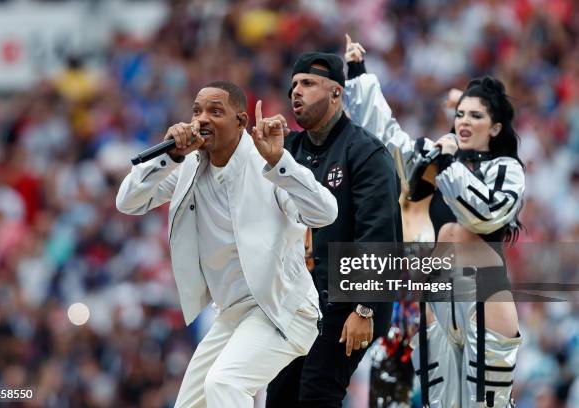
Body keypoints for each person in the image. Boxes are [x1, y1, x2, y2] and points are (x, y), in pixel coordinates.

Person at [116, 81, 338, 407]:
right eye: (197, 111)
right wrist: (170, 156)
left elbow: (325, 213)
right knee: (192, 404)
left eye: (215, 111)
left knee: (225, 384)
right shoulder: (188, 165)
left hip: (283, 308)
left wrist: (280, 163)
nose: (202, 119)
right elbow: (128, 202)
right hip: (232, 315)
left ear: (241, 121)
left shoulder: (268, 163)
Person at [343, 36, 525, 407]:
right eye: (461, 114)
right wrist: (360, 74)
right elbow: (387, 141)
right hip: (437, 299)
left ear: (495, 128)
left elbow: (485, 213)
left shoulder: (507, 170)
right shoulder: (437, 156)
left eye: (476, 116)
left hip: (484, 298)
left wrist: (447, 164)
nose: (464, 122)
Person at [266, 51, 402, 407]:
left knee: (317, 391)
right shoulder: (287, 150)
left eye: (308, 84)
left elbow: (379, 236)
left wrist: (365, 309)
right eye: (294, 84)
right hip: (298, 299)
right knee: (280, 395)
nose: (297, 91)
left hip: (347, 301)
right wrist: (264, 151)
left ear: (336, 93)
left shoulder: (366, 153)